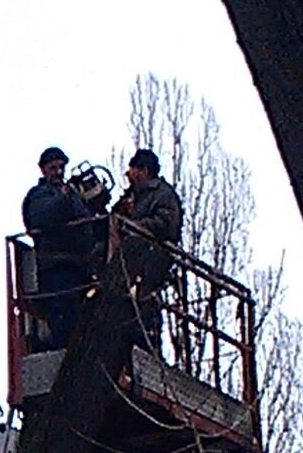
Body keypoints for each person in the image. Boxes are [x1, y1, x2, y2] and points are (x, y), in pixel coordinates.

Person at [21, 145, 101, 348]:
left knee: (83, 319)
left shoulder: (73, 195)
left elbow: (87, 223)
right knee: (65, 317)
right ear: (43, 170)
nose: (58, 172)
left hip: (79, 267)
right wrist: (64, 199)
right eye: (53, 167)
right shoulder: (38, 195)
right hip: (57, 266)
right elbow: (43, 217)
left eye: (61, 167)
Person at [111, 147, 183, 351]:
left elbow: (166, 224)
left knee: (146, 314)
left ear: (144, 170)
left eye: (133, 169)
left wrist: (135, 226)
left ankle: (149, 350)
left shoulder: (163, 194)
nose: (128, 175)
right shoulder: (132, 196)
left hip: (151, 263)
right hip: (128, 266)